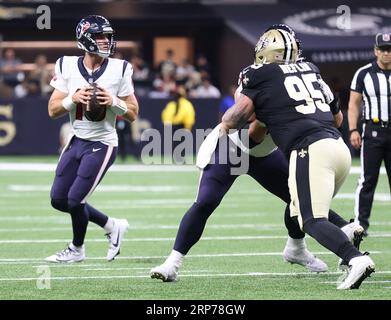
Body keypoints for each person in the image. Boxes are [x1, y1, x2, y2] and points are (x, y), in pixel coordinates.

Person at [150, 25, 363, 283]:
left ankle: (297, 248)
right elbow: (252, 130)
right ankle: (172, 262)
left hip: (264, 152)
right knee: (205, 202)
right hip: (234, 148)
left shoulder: (304, 78)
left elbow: (330, 116)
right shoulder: (256, 77)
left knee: (299, 198)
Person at [218, 26, 374, 289]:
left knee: (312, 220)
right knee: (296, 205)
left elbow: (237, 116)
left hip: (310, 149)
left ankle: (354, 258)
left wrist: (224, 125)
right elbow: (337, 119)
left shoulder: (258, 73)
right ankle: (302, 247)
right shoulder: (311, 70)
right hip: (339, 149)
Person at [45, 15, 139, 263]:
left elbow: (132, 113)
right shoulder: (66, 65)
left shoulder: (120, 69)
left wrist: (114, 102)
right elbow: (53, 110)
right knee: (59, 200)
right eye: (101, 36)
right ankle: (111, 225)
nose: (107, 41)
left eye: (108, 36)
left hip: (103, 143)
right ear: (86, 38)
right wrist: (72, 98)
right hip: (76, 140)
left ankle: (77, 249)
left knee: (76, 199)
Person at [348, 33, 391, 236]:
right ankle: (361, 224)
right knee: (367, 179)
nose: (387, 53)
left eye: (390, 50)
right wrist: (353, 129)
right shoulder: (363, 73)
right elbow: (353, 104)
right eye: (383, 49)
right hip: (373, 131)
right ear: (375, 51)